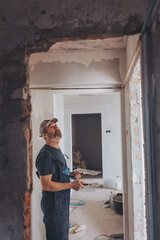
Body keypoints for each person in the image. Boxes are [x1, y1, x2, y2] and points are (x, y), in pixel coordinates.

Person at [36, 118, 85, 240]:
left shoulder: (56, 149)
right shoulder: (46, 155)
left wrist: (70, 175)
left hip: (61, 201)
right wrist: (72, 185)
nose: (56, 127)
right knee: (57, 236)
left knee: (63, 234)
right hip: (54, 204)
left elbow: (57, 172)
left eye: (56, 125)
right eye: (51, 127)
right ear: (45, 135)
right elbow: (46, 185)